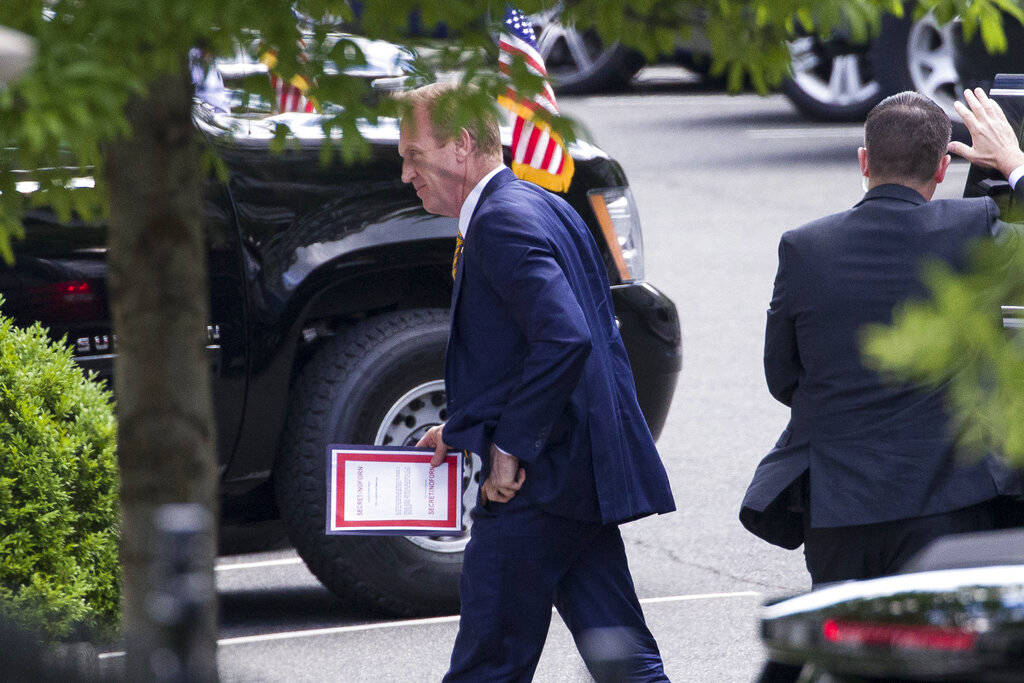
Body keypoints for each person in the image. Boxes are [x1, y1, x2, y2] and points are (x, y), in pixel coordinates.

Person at [397, 82, 675, 681]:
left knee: (487, 667)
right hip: (579, 478)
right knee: (628, 664)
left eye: (413, 156)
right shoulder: (540, 204)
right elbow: (526, 349)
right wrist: (462, 427)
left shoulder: (500, 221)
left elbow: (564, 337)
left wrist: (508, 446)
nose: (405, 173)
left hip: (538, 484)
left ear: (461, 147)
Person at [741, 87, 1024, 591]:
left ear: (864, 161)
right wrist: (1014, 164)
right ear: (942, 168)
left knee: (847, 658)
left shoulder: (805, 248)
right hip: (949, 505)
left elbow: (781, 376)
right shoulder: (974, 228)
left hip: (839, 511)